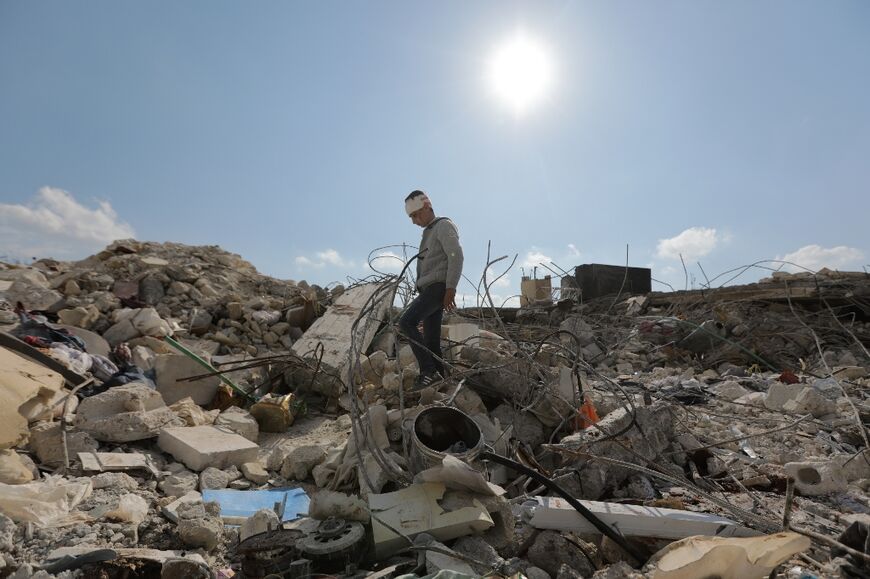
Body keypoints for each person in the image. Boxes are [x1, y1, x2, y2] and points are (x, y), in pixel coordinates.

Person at [399, 189, 464, 389]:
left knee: (406, 322)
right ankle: (440, 378)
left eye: (416, 215)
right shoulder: (429, 232)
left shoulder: (443, 226)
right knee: (431, 340)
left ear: (426, 206)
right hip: (431, 289)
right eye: (411, 217)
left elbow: (456, 255)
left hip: (438, 288)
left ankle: (428, 371)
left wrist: (451, 288)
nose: (414, 220)